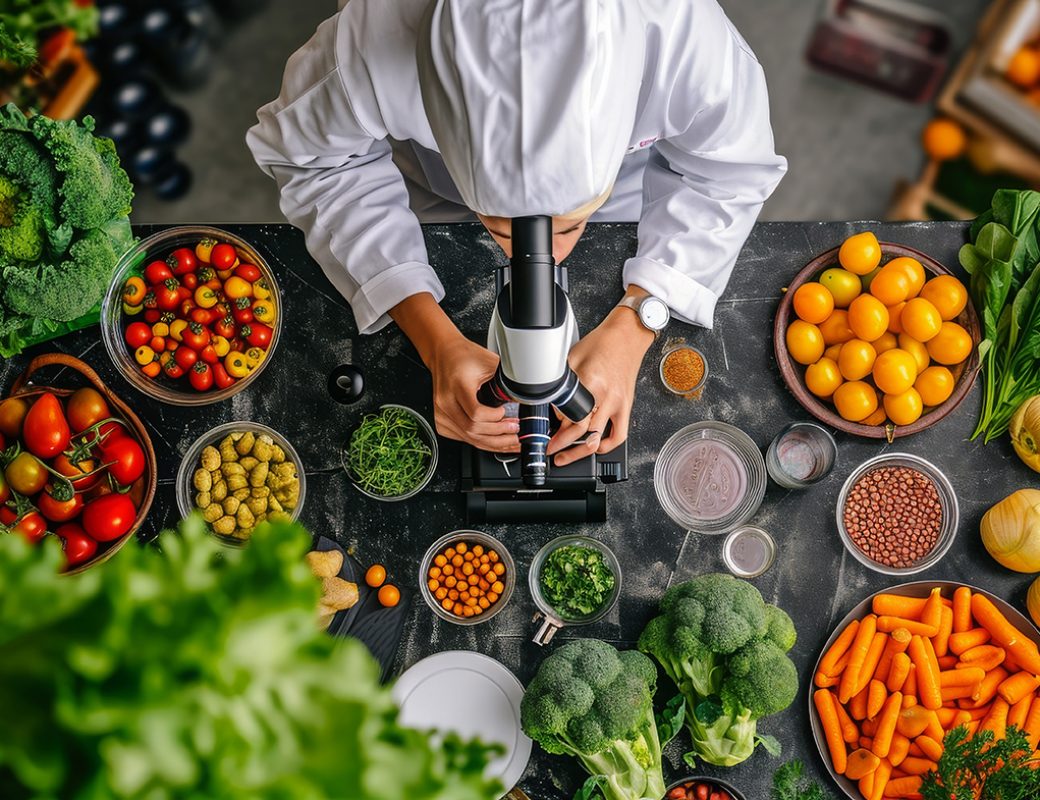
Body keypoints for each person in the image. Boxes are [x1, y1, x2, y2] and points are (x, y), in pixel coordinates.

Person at [247, 0, 786, 465]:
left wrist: (637, 322)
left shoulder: (684, 37)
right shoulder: (375, 36)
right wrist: (433, 340)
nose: (544, 255)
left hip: (620, 187)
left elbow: (729, 174)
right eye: (505, 231)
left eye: (569, 226)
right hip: (438, 181)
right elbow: (316, 163)